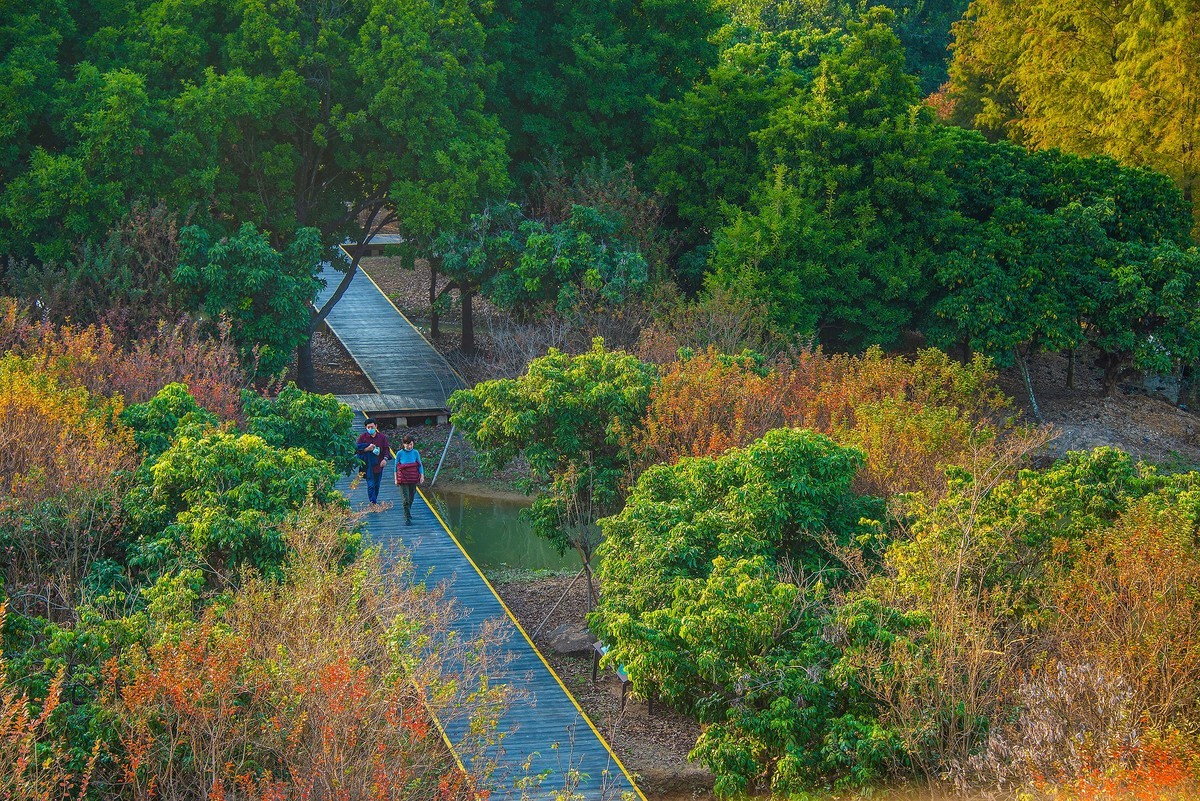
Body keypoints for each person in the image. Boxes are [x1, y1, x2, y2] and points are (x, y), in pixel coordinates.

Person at [355, 419, 390, 509]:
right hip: (367, 466)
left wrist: (385, 459)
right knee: (370, 485)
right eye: (368, 427)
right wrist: (367, 449)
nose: (370, 429)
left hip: (379, 465)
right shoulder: (362, 437)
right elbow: (356, 449)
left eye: (372, 427)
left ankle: (374, 500)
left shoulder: (382, 437)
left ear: (376, 426)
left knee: (376, 485)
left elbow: (386, 449)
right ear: (366, 428)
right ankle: (373, 503)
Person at [393, 434, 424, 524]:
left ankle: (408, 511)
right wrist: (396, 479)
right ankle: (407, 517)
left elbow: (420, 465)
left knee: (411, 496)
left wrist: (422, 475)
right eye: (408, 444)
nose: (410, 446)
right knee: (405, 499)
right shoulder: (399, 453)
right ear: (404, 444)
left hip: (413, 478)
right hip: (403, 479)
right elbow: (396, 467)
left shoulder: (415, 453)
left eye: (411, 444)